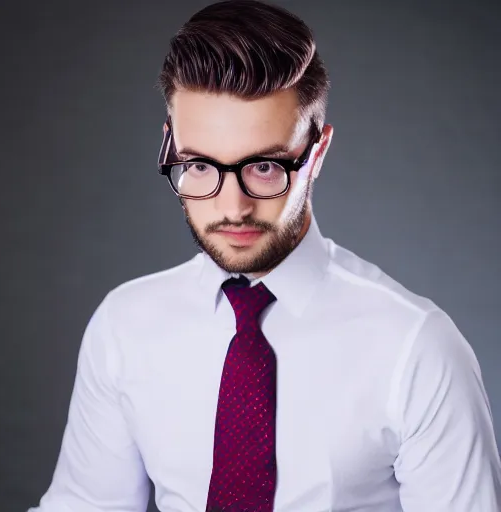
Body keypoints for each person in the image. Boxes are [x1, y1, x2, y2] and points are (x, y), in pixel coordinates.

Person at [28, 1, 501, 511]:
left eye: (266, 168)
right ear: (169, 145)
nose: (232, 207)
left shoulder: (418, 348)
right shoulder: (124, 326)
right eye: (199, 165)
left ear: (316, 154)